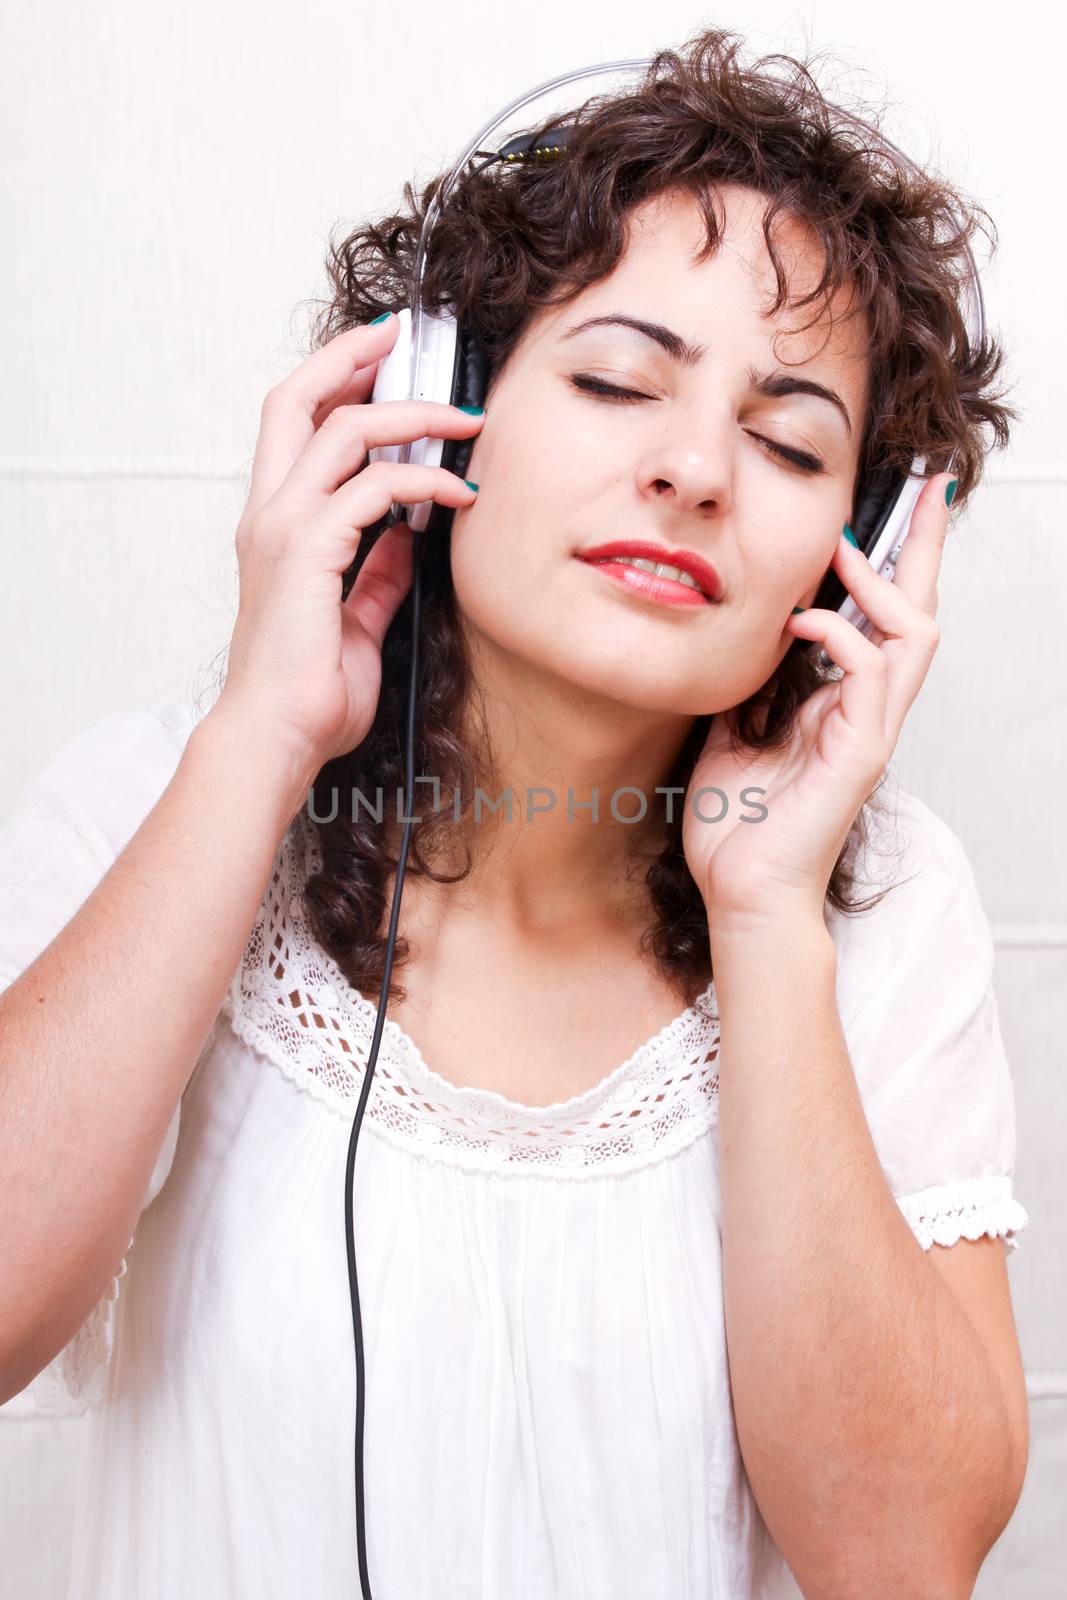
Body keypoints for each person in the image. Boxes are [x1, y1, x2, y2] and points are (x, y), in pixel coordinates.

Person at [0, 27, 1031, 1600]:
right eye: (622, 378)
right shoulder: (157, 799)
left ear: (859, 553)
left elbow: (900, 1562)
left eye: (787, 438)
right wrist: (260, 741)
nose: (695, 468)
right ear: (434, 398)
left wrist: (765, 915)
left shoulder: (883, 908)